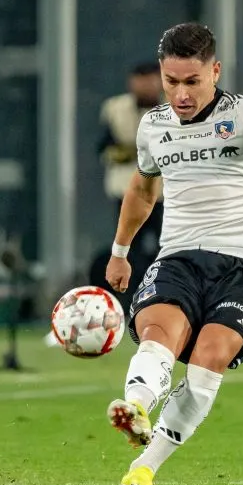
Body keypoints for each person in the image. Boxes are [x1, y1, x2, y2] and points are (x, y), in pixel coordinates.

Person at [103, 22, 243, 485]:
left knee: (209, 359)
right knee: (159, 333)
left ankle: (144, 467)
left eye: (191, 81)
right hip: (178, 255)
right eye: (171, 82)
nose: (180, 94)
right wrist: (120, 252)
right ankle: (135, 407)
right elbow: (142, 189)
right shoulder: (152, 127)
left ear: (215, 71)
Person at [90, 62, 165, 310]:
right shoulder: (115, 108)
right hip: (126, 189)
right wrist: (134, 152)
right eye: (140, 79)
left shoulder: (172, 106)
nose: (145, 84)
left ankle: (163, 298)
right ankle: (129, 301)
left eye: (151, 78)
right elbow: (105, 148)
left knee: (165, 247)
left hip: (164, 192)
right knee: (127, 247)